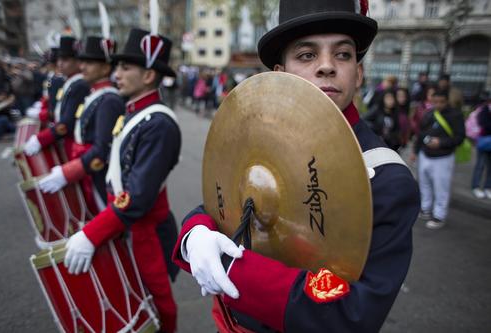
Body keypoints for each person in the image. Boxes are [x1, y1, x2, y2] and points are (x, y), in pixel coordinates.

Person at [172, 1, 420, 332]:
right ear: (280, 75)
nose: (327, 66)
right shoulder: (262, 139)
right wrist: (196, 234)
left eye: (343, 55)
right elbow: (219, 205)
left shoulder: (389, 180)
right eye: (307, 55)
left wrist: (233, 269)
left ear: (358, 74)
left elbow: (352, 314)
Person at [62, 28, 181, 333]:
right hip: (129, 227)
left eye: (125, 67)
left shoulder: (159, 123)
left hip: (148, 234)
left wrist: (92, 233)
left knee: (157, 309)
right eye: (117, 67)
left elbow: (138, 198)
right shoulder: (133, 114)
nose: (117, 74)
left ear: (149, 76)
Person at [36, 35, 125, 214]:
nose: (82, 66)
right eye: (82, 61)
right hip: (88, 167)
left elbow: (101, 148)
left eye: (89, 63)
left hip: (99, 173)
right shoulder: (97, 93)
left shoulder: (108, 99)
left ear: (106, 67)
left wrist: (70, 171)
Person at [23, 36, 90, 160]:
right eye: (59, 59)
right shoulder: (69, 82)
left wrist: (41, 139)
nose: (60, 63)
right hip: (67, 139)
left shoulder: (78, 85)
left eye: (65, 59)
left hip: (74, 141)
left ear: (77, 62)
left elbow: (67, 123)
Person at [411, 90, 465, 229]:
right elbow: (420, 133)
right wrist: (415, 151)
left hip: (443, 157)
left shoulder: (455, 115)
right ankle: (425, 208)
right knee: (424, 184)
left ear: (447, 101)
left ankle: (439, 215)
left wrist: (441, 143)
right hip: (425, 154)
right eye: (435, 102)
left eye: (441, 102)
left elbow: (460, 137)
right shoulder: (428, 113)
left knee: (441, 188)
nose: (438, 105)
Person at [470, 92, 491, 199]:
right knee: (480, 165)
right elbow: (484, 124)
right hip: (484, 142)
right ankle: (476, 186)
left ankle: (488, 187)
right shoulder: (484, 110)